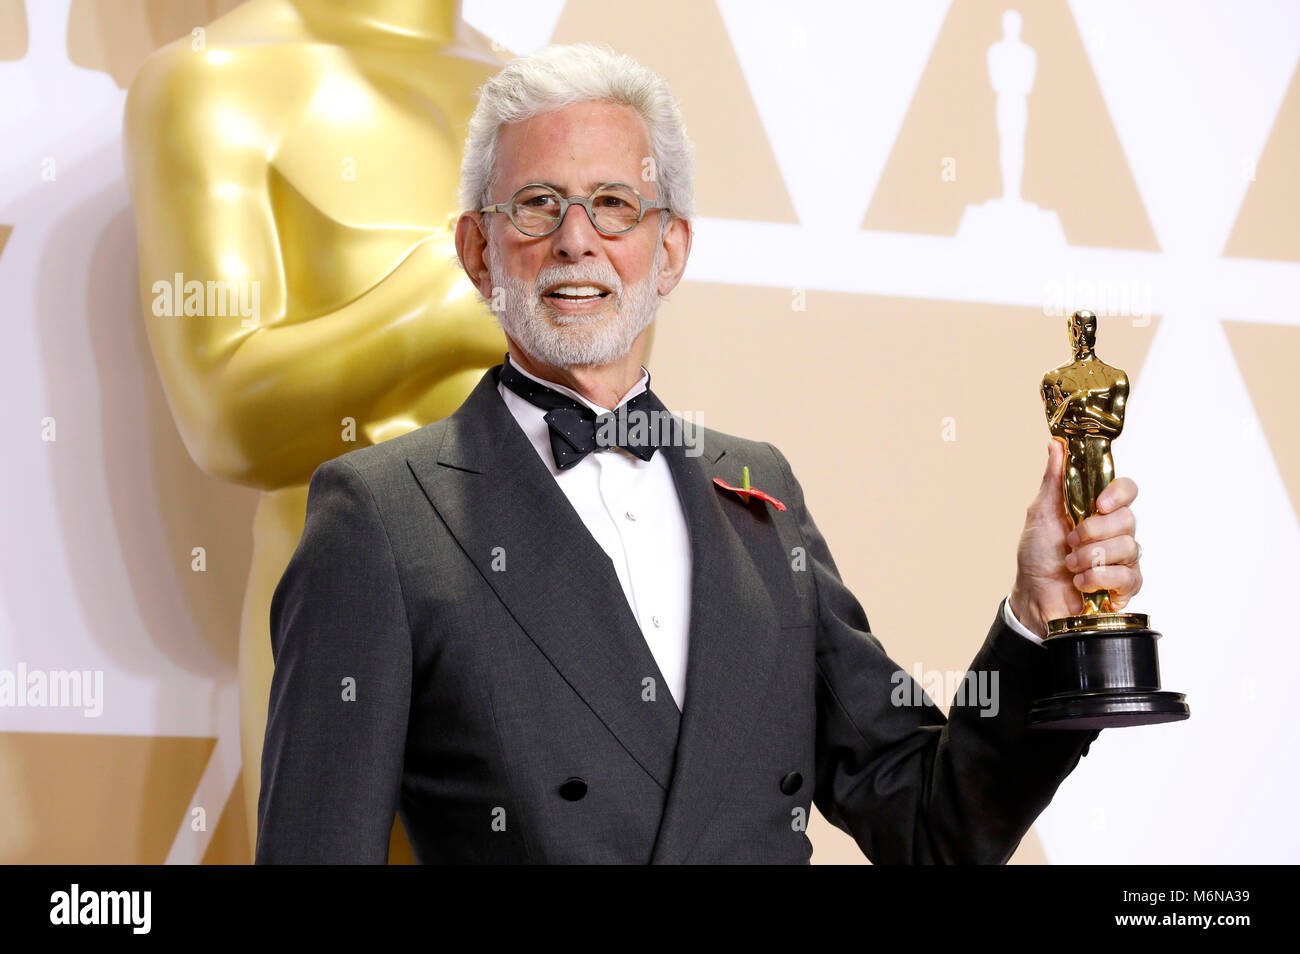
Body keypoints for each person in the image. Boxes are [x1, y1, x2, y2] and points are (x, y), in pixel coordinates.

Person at [256, 43, 1142, 864]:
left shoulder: (759, 489)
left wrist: (1039, 621)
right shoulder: (379, 516)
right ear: (477, 250)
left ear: (669, 249)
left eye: (613, 203)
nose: (576, 239)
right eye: (535, 205)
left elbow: (931, 823)